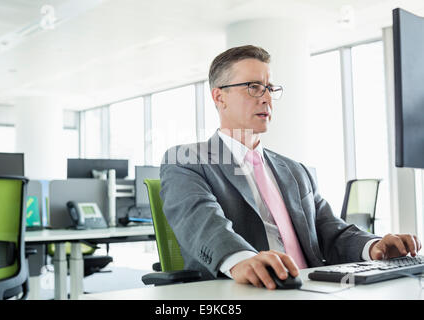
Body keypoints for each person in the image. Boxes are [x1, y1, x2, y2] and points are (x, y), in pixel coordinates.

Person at [159, 45, 422, 290]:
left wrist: (374, 246)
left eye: (269, 88)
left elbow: (330, 229)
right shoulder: (188, 160)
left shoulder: (295, 170)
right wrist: (241, 260)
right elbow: (204, 222)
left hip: (314, 288)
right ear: (220, 97)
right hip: (251, 289)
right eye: (253, 87)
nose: (266, 99)